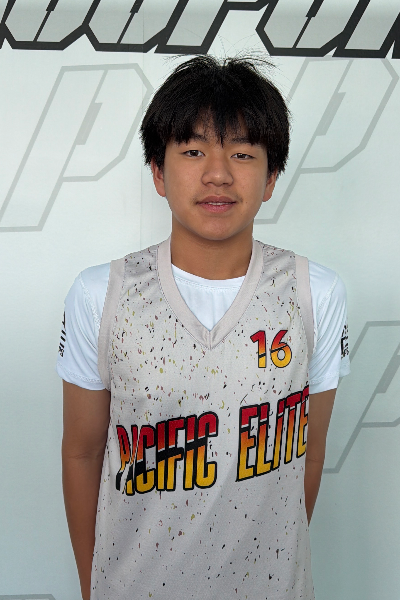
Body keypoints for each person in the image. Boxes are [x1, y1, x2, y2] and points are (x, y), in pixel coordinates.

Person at [58, 55, 350, 600]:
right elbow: (82, 452)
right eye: (193, 151)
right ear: (158, 172)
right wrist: (92, 587)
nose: (218, 173)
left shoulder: (316, 292)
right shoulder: (102, 293)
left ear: (271, 178)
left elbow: (308, 454)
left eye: (242, 153)